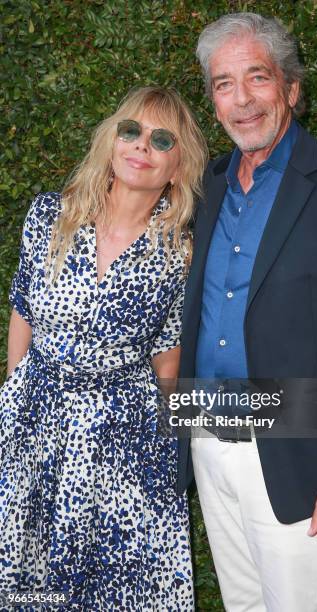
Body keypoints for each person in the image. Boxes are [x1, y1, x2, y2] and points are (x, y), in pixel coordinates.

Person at [177, 13, 317, 612]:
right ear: (213, 100)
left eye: (257, 78)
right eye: (224, 83)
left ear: (291, 89)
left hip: (294, 447)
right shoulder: (209, 185)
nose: (242, 99)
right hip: (206, 436)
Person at [0, 86, 207, 609]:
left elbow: (169, 350)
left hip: (125, 432)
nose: (141, 146)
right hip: (35, 415)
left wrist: (172, 444)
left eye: (162, 140)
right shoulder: (50, 214)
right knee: (28, 565)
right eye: (130, 130)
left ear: (178, 166)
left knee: (120, 580)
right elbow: (23, 310)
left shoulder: (181, 249)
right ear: (110, 141)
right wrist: (13, 397)